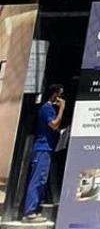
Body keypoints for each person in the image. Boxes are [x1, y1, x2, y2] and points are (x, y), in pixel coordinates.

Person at [23, 83, 66, 222]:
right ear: (55, 95)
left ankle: (34, 210)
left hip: (46, 148)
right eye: (61, 95)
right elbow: (54, 124)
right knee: (37, 179)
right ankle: (29, 212)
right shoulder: (47, 109)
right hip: (42, 148)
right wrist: (62, 109)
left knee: (42, 179)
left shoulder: (48, 109)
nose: (61, 98)